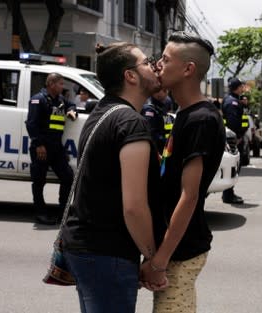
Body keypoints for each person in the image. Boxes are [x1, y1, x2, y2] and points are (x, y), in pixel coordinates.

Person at [61, 42, 167, 313]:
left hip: (86, 247)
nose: (154, 66)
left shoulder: (102, 113)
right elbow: (134, 207)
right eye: (147, 62)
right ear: (130, 76)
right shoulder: (131, 123)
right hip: (107, 253)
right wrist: (153, 260)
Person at [142, 31, 225, 313]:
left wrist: (160, 260)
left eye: (165, 59)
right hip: (176, 244)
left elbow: (188, 197)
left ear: (188, 69)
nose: (158, 65)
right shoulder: (186, 114)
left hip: (182, 248)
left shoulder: (200, 120)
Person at [25, 73, 77, 225]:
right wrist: (39, 145)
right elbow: (31, 124)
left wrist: (72, 110)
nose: (63, 87)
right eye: (61, 84)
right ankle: (40, 213)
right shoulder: (38, 99)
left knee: (68, 177)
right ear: (52, 84)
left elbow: (71, 105)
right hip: (41, 147)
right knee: (39, 181)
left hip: (56, 148)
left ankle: (63, 213)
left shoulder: (60, 100)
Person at [221, 77, 246, 204]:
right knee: (233, 167)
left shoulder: (233, 100)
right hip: (233, 140)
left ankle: (229, 193)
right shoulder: (233, 103)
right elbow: (233, 122)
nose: (243, 88)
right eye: (242, 86)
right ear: (237, 87)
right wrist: (238, 137)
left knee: (233, 167)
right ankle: (228, 195)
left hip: (232, 138)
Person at [141, 88, 171, 154]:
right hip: (157, 150)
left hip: (165, 147)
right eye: (164, 90)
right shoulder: (149, 109)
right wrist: (166, 141)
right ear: (155, 93)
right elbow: (151, 133)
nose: (167, 92)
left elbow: (167, 124)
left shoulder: (163, 104)